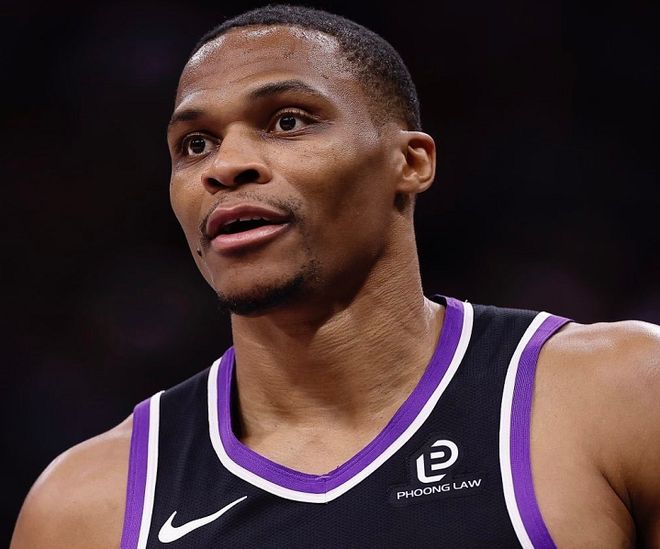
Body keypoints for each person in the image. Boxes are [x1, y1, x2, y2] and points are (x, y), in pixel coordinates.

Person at [11, 5, 660, 548]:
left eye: (287, 121)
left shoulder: (616, 395)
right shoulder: (88, 508)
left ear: (410, 163)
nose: (225, 165)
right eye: (195, 144)